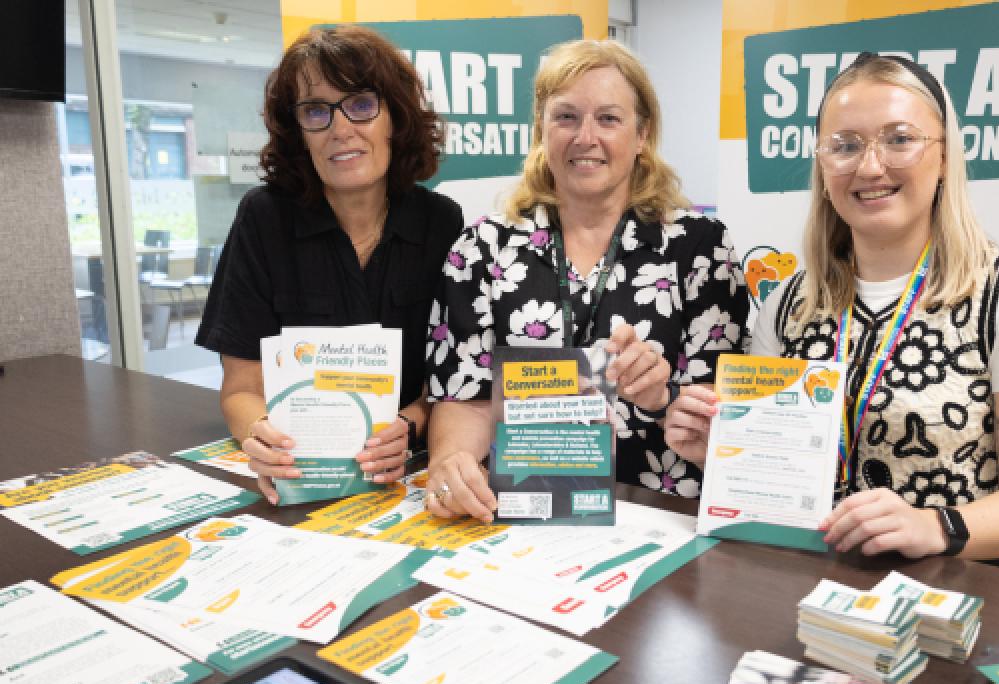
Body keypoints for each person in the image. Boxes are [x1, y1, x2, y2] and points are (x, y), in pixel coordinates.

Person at [664, 54, 999, 561]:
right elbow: (772, 471)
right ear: (823, 164)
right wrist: (720, 453)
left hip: (935, 602)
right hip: (794, 582)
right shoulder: (789, 304)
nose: (869, 166)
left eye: (899, 139)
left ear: (945, 155)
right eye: (845, 146)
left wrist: (934, 527)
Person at [423, 40, 749, 523]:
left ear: (642, 135)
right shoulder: (483, 249)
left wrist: (665, 397)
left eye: (609, 119)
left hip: (659, 515)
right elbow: (464, 396)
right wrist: (452, 462)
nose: (585, 137)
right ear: (542, 129)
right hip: (521, 509)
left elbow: (727, 413)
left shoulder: (700, 248)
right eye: (566, 117)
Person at [195, 25, 464, 503]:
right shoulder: (264, 219)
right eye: (316, 111)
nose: (341, 128)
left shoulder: (440, 223)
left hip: (405, 480)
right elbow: (239, 388)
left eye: (361, 104)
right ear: (298, 132)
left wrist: (409, 424)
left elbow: (448, 384)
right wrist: (260, 436)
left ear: (395, 119)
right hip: (299, 479)